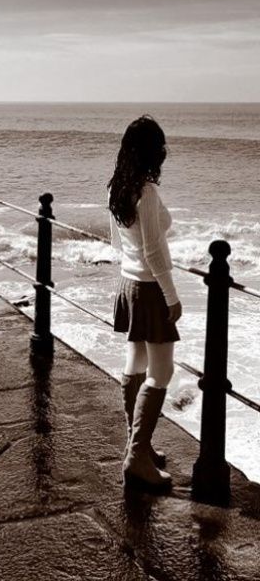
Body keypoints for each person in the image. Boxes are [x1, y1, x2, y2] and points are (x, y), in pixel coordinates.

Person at [107, 115, 182, 492]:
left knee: (134, 363)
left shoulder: (117, 188)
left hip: (129, 284)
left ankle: (138, 445)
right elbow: (153, 249)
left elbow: (116, 242)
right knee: (162, 372)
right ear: (155, 152)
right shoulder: (147, 191)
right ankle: (137, 457)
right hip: (150, 289)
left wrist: (131, 270)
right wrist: (172, 296)